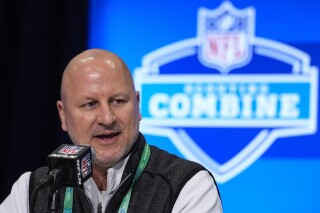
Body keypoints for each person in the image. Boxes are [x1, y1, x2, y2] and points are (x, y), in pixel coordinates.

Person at [0, 49, 223, 213]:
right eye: (90, 104)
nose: (107, 118)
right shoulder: (32, 191)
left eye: (118, 101)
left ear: (137, 106)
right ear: (63, 115)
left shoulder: (188, 187)